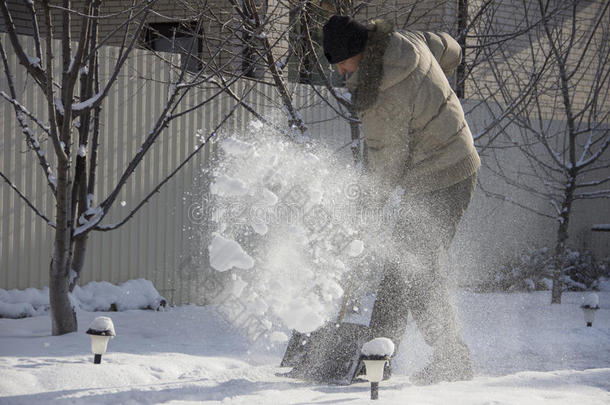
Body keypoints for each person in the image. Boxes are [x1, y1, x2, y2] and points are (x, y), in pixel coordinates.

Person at [322, 15, 481, 385]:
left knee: (418, 272)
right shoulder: (406, 41)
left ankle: (452, 359)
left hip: (441, 176)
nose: (342, 72)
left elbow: (385, 164)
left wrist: (365, 211)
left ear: (358, 52)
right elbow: (450, 48)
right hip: (458, 160)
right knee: (399, 269)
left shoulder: (381, 95)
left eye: (343, 62)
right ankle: (378, 355)